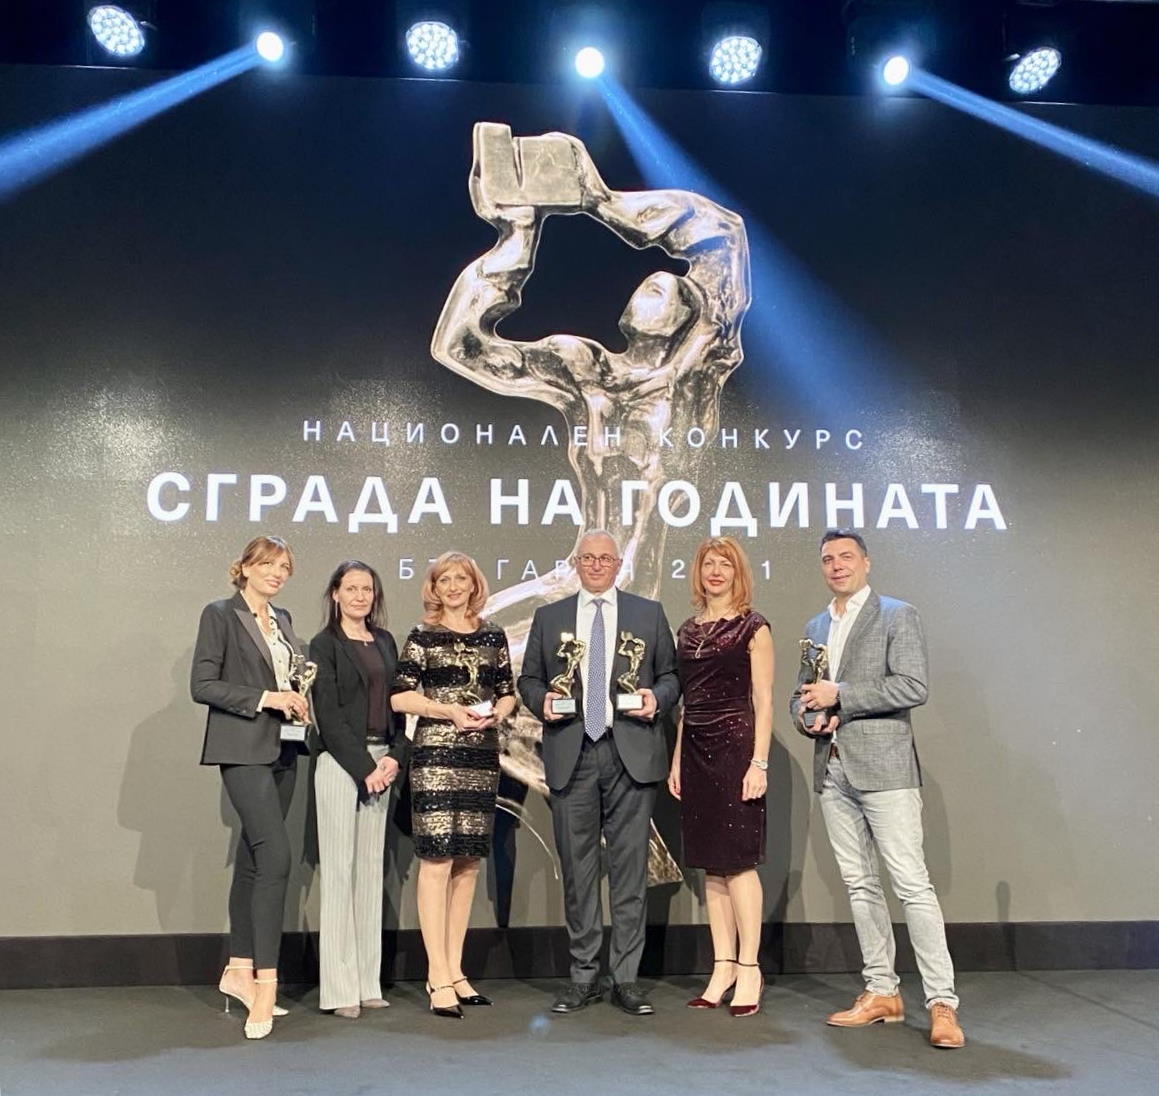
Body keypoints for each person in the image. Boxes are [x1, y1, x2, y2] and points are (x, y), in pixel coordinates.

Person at [790, 530, 965, 1049]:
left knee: (912, 885)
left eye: (846, 556)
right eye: (828, 559)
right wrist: (809, 718)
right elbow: (802, 696)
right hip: (833, 769)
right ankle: (882, 992)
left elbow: (912, 685)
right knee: (860, 885)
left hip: (886, 770)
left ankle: (942, 1003)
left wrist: (840, 695)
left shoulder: (896, 614)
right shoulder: (816, 626)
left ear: (866, 562)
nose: (837, 565)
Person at [517, 529, 680, 1016]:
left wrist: (657, 698)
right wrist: (541, 700)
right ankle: (584, 975)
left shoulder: (648, 614)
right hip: (572, 752)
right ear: (575, 562)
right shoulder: (549, 618)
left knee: (630, 872)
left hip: (631, 752)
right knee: (578, 870)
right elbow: (529, 679)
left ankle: (626, 979)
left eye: (604, 558)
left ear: (617, 564)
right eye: (587, 557)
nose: (595, 565)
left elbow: (670, 677)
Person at [191, 535, 309, 1041]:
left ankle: (238, 968)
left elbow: (289, 679)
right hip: (241, 748)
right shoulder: (220, 614)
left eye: (284, 567)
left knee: (254, 857)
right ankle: (265, 984)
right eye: (267, 564)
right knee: (276, 856)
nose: (276, 573)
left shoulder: (283, 620)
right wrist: (267, 697)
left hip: (283, 748)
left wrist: (298, 698)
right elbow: (203, 685)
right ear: (244, 567)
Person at [391, 552, 517, 1018]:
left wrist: (495, 713)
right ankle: (437, 974)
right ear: (434, 587)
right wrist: (446, 711)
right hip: (435, 755)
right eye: (444, 579)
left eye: (461, 578)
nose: (453, 586)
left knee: (467, 863)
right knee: (437, 859)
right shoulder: (422, 635)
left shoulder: (493, 635)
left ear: (474, 583)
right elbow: (400, 696)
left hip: (480, 755)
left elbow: (507, 691)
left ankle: (456, 970)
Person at [669, 537, 773, 1017]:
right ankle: (723, 966)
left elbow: (765, 701)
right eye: (708, 564)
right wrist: (676, 761)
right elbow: (687, 702)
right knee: (711, 866)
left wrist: (759, 763)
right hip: (695, 752)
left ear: (738, 572)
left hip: (737, 750)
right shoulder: (687, 631)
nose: (715, 571)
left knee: (739, 863)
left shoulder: (754, 626)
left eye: (724, 564)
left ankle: (750, 968)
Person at [309, 561, 408, 1019]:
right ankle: (339, 988)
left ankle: (368, 982)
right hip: (340, 763)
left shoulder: (385, 641)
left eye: (367, 589)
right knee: (339, 872)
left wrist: (394, 757)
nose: (359, 596)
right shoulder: (324, 644)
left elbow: (401, 706)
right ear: (335, 593)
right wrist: (364, 767)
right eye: (351, 588)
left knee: (370, 872)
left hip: (382, 762)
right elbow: (327, 715)